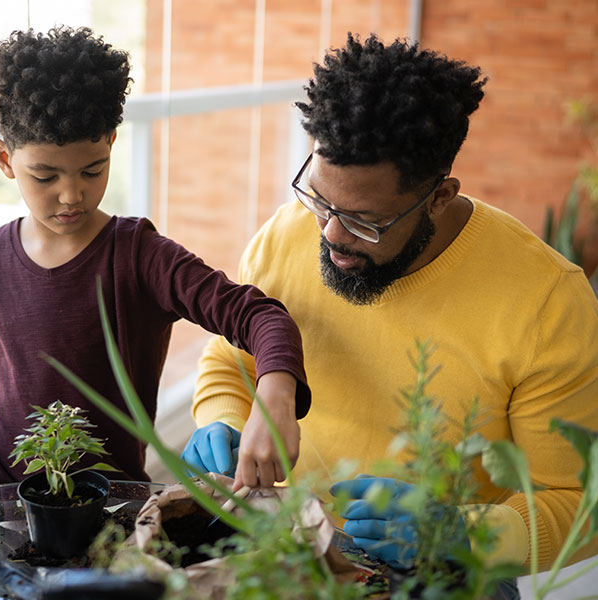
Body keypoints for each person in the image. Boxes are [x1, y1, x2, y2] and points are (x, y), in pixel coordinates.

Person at [183, 31, 598, 581]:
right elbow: (230, 364)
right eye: (318, 199)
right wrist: (223, 419)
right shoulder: (282, 237)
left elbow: (579, 500)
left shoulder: (547, 302)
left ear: (441, 197)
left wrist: (457, 533)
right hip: (290, 543)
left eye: (363, 220)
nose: (330, 234)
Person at [0, 26, 310, 489]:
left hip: (106, 503)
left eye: (92, 170)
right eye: (45, 176)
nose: (71, 194)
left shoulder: (140, 256)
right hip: (1, 488)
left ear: (111, 143)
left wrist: (275, 390)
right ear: (4, 159)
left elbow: (260, 316)